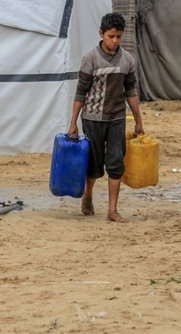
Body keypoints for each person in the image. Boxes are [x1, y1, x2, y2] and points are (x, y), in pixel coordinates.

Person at [67, 12, 144, 223]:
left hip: (117, 118)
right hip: (92, 119)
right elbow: (80, 93)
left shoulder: (128, 60)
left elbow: (131, 92)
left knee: (116, 163)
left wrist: (138, 121)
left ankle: (112, 210)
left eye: (119, 36)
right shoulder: (90, 59)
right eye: (111, 36)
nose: (115, 41)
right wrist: (73, 123)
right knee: (94, 163)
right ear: (101, 34)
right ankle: (88, 195)